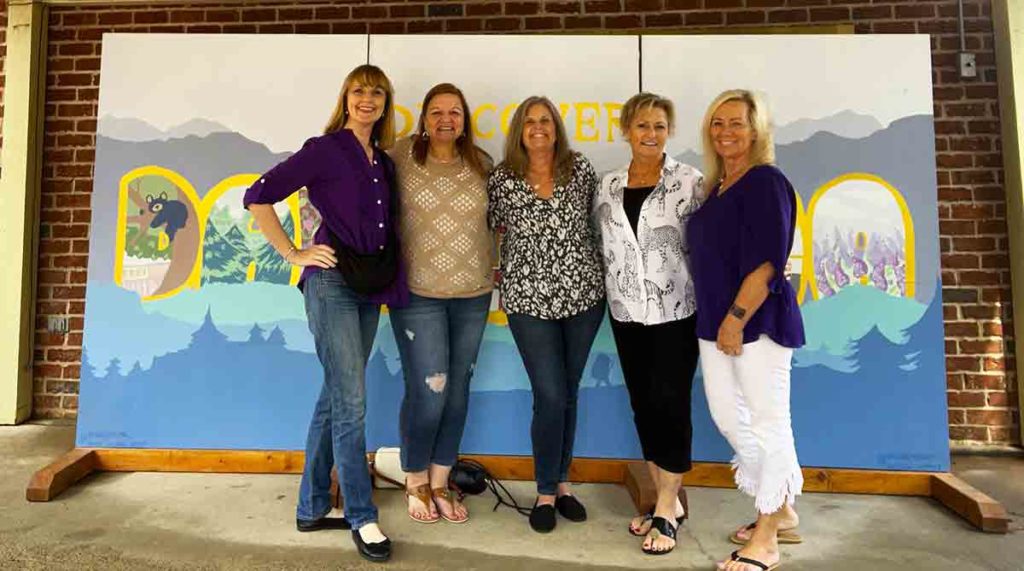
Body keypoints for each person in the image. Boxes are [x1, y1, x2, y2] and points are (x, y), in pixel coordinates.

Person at [243, 64, 405, 563]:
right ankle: (361, 514)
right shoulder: (324, 149)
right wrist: (294, 252)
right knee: (352, 401)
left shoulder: (384, 162)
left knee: (335, 398)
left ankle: (312, 506)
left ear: (385, 103)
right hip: (331, 283)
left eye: (377, 93)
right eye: (360, 91)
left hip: (369, 285)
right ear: (346, 97)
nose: (368, 99)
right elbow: (258, 196)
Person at [686, 89, 806, 571]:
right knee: (728, 418)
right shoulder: (718, 186)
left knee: (767, 421)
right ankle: (782, 508)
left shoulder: (765, 182)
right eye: (717, 123)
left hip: (755, 322)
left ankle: (767, 538)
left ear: (757, 131)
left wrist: (737, 318)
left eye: (736, 123)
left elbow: (769, 262)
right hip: (714, 323)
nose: (725, 132)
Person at [487, 96, 606, 534]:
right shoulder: (502, 178)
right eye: (530, 121)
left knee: (569, 392)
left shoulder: (580, 169)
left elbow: (598, 224)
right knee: (550, 394)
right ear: (519, 130)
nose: (538, 127)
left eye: (545, 121)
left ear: (556, 128)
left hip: (583, 296)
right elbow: (490, 230)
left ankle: (562, 482)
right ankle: (543, 490)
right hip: (528, 300)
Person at [592, 92, 704, 555]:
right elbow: (603, 246)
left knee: (671, 406)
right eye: (642, 126)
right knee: (643, 405)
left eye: (659, 126)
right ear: (626, 131)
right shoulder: (608, 185)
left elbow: (707, 245)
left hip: (675, 312)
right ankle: (667, 501)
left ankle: (665, 510)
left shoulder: (689, 181)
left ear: (669, 131)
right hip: (626, 313)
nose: (650, 134)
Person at [388, 83, 494, 525]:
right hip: (417, 293)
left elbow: (499, 221)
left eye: (454, 112)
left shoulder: (482, 163)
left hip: (473, 293)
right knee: (429, 392)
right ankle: (414, 477)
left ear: (465, 118)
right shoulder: (400, 157)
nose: (445, 119)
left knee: (457, 392)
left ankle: (440, 479)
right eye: (436, 112)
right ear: (424, 119)